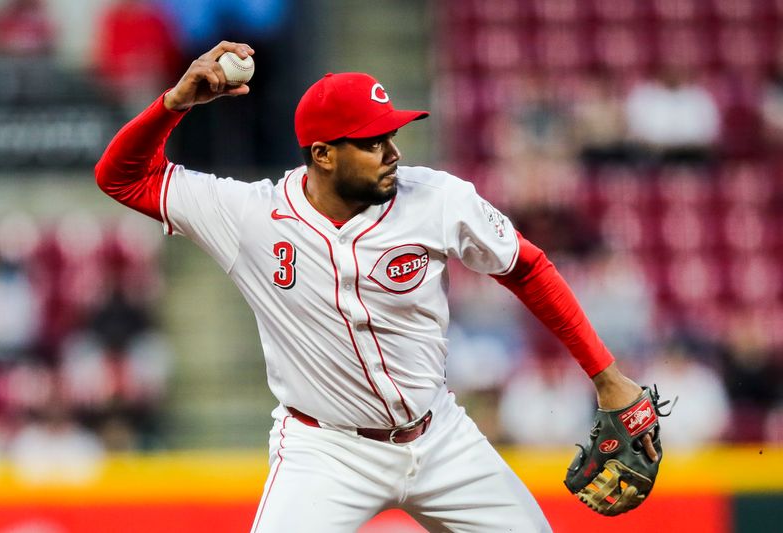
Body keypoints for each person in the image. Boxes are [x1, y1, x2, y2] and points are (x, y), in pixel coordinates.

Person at [95, 41, 659, 532]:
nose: (393, 152)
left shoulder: (436, 198)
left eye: (391, 134)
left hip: (439, 434)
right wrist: (173, 104)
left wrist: (605, 376)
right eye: (371, 142)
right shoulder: (248, 215)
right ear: (322, 154)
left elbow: (526, 267)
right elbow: (120, 176)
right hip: (327, 449)